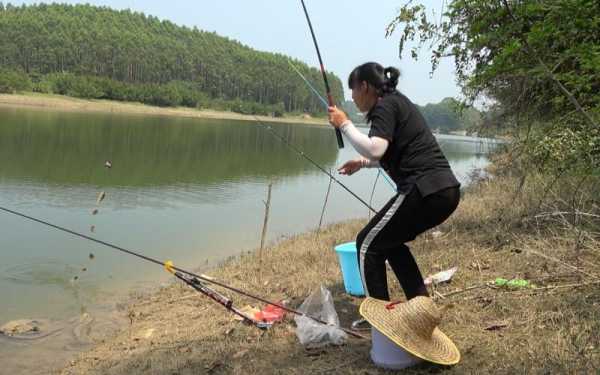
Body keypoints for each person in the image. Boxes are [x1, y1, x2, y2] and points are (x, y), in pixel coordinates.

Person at [328, 62, 460, 301]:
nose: (353, 97)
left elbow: (376, 149)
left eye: (354, 90)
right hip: (444, 191)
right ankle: (420, 307)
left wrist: (344, 124)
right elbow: (390, 153)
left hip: (423, 189)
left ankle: (379, 320)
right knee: (391, 243)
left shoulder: (385, 105)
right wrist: (362, 162)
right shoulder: (396, 102)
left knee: (367, 244)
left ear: (365, 87)